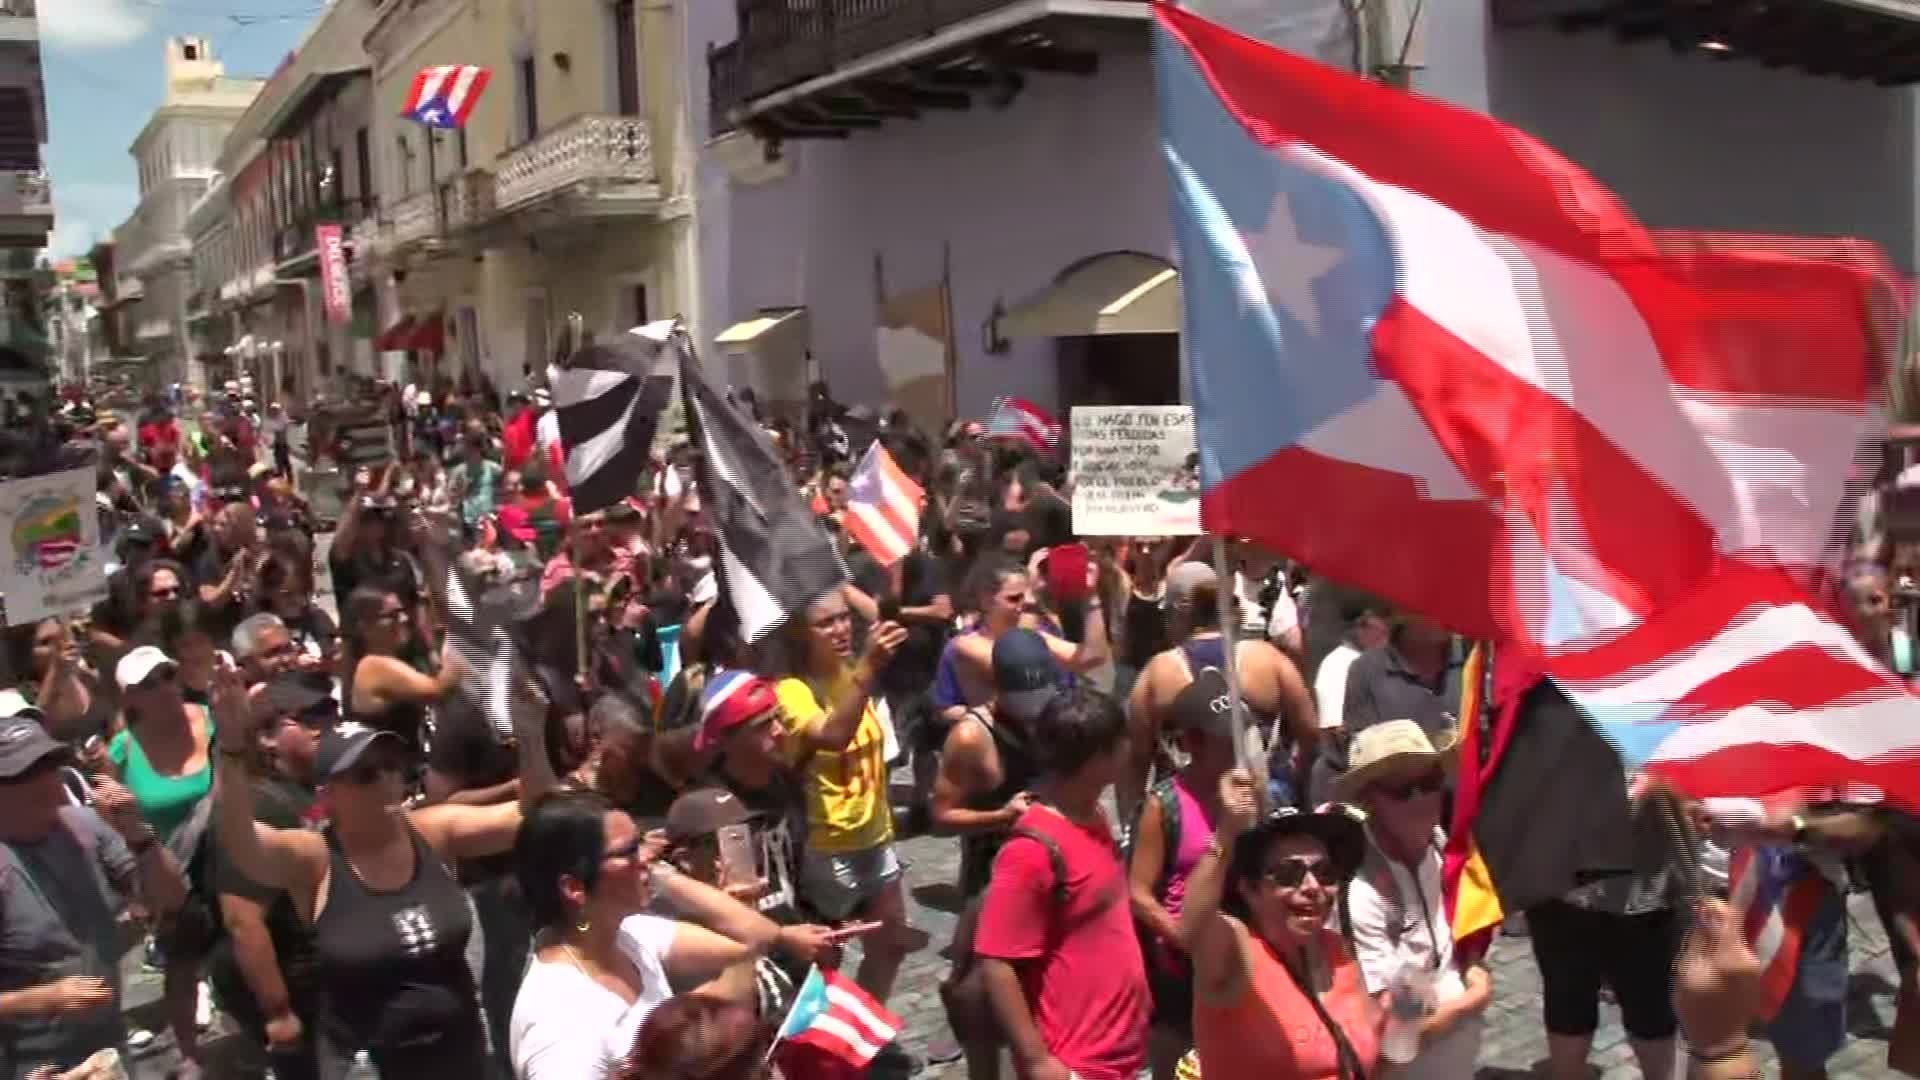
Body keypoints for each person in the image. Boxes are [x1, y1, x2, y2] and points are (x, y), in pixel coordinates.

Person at [211, 658, 559, 1078]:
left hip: (460, 1054)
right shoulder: (315, 859)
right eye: (365, 774)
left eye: (391, 765)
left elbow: (535, 818)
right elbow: (241, 844)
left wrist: (530, 735)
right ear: (329, 793)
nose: (386, 780)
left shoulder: (432, 831)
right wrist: (230, 750)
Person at [509, 790, 835, 1080]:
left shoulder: (625, 934)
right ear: (574, 887)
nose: (649, 856)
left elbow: (746, 941)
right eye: (629, 850)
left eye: (644, 844)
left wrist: (661, 876)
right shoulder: (560, 1025)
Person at [0, 711, 189, 1080]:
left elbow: (172, 899)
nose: (47, 780)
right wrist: (44, 999)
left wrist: (138, 834)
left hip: (108, 1050)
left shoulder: (83, 828)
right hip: (30, 1064)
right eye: (27, 773)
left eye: (50, 764)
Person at [974, 687, 1149, 1080]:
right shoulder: (1032, 851)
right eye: (1121, 741)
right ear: (1098, 759)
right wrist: (1038, 1062)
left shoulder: (1094, 813)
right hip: (1077, 1059)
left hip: (1120, 1049)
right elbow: (996, 962)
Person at [767, 591, 916, 1003]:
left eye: (844, 618)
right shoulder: (791, 690)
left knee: (890, 946)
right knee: (824, 964)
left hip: (876, 835)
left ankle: (862, 1035)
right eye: (826, 623)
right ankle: (824, 1052)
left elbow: (882, 611)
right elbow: (833, 736)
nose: (841, 629)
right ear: (800, 634)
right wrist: (868, 669)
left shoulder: (850, 671)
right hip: (827, 848)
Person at [1181, 770, 1379, 1079]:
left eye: (1325, 872)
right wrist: (1225, 834)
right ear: (1250, 890)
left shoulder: (1339, 952)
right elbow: (1192, 927)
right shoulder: (1236, 953)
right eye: (1289, 874)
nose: (1312, 886)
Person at [1335, 720, 1492, 1077]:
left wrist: (1472, 964)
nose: (1421, 799)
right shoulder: (1363, 892)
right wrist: (1472, 1000)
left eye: (1430, 783)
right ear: (1368, 798)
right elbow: (1392, 1042)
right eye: (1402, 789)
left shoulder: (1437, 842)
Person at [1125, 561, 1315, 823]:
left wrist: (1132, 828)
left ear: (1179, 612)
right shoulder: (1267, 658)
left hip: (1189, 815)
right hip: (1262, 806)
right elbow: (1309, 732)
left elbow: (1136, 761)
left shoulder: (1158, 673)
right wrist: (1297, 786)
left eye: (1166, 614)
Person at [1126, 668, 1236, 1080]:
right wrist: (1183, 938)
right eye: (1224, 741)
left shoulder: (1249, 792)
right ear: (1193, 742)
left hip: (1236, 956)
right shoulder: (1164, 805)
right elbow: (1138, 892)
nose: (1236, 750)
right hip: (1179, 967)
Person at [340, 586, 463, 759]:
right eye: (393, 615)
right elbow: (440, 689)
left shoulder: (381, 662)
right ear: (365, 626)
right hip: (396, 775)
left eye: (402, 611)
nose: (404, 619)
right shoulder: (374, 665)